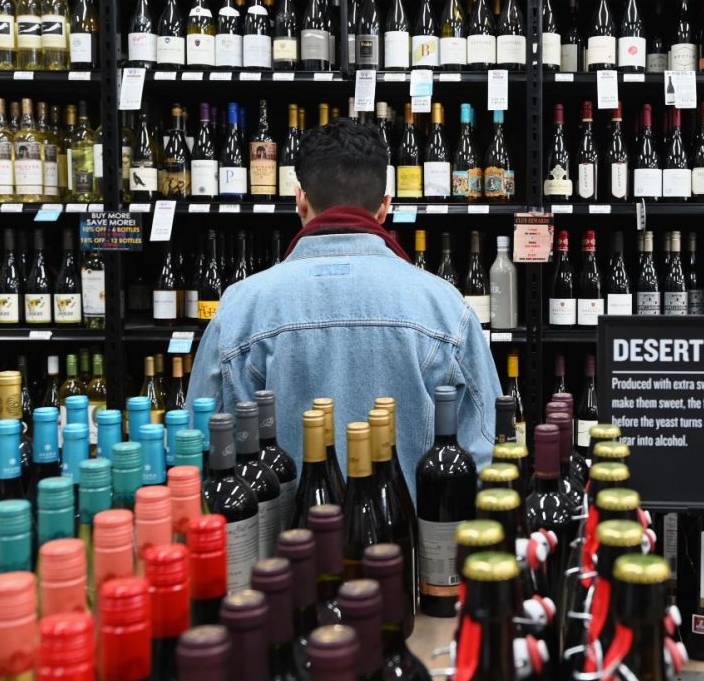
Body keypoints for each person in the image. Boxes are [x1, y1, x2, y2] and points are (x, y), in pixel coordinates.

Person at [186, 116, 501, 494]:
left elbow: (199, 453)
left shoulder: (240, 309)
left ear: (300, 199)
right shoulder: (445, 308)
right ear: (385, 207)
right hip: (413, 549)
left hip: (275, 550)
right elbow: (489, 458)